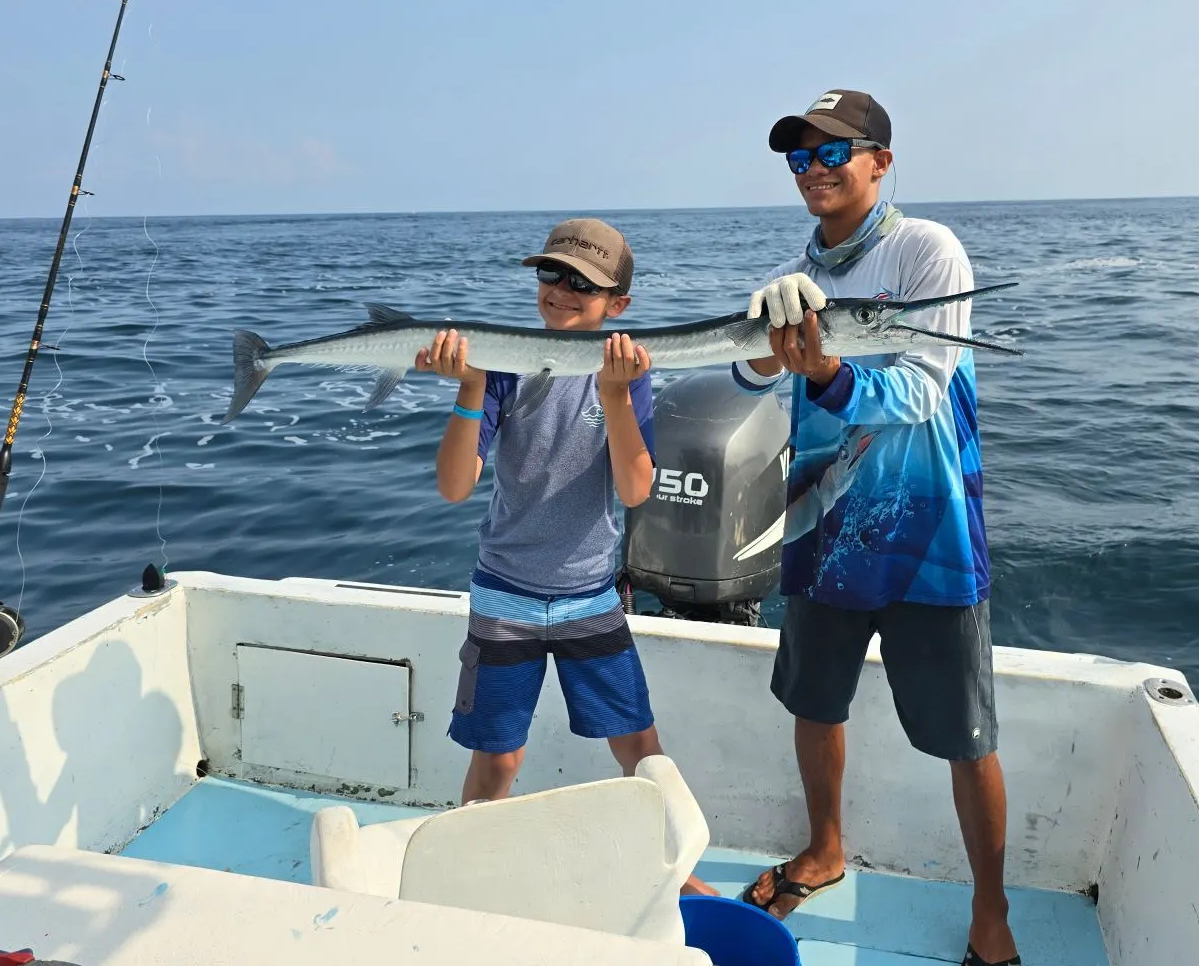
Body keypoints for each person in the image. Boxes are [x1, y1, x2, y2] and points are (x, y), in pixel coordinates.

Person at [734, 90, 1019, 965]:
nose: (813, 171)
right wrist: (761, 348)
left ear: (880, 161)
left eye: (833, 154)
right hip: (824, 525)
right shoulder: (798, 276)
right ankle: (824, 849)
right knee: (815, 704)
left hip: (927, 534)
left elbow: (924, 390)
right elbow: (750, 384)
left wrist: (825, 366)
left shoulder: (927, 250)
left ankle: (993, 910)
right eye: (799, 158)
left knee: (964, 735)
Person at [416, 216, 715, 895]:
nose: (561, 289)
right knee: (499, 758)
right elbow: (454, 486)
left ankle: (681, 870)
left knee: (640, 748)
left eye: (584, 282)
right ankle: (458, 874)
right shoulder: (501, 365)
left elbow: (637, 488)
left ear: (620, 306)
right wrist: (467, 386)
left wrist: (613, 397)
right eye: (552, 273)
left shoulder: (629, 373)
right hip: (503, 597)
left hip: (591, 597)